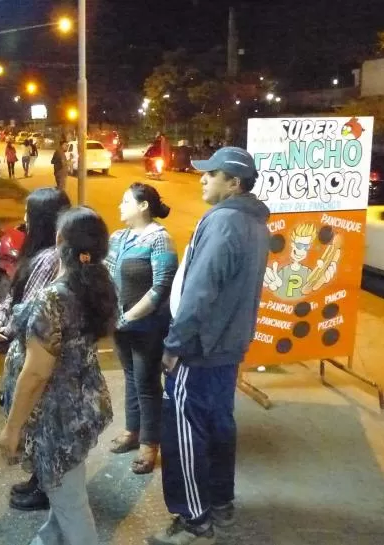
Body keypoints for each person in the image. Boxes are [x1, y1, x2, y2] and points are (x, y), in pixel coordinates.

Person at [148, 147, 270, 545]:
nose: (202, 178)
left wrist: (174, 344)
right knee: (219, 424)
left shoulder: (224, 224)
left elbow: (200, 291)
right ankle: (220, 502)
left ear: (234, 183)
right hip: (228, 346)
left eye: (211, 174)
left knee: (184, 429)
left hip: (200, 348)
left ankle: (193, 519)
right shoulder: (254, 223)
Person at [0, 207, 117, 545]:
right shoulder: (95, 282)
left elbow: (36, 373)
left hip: (56, 417)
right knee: (65, 492)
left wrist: (12, 428)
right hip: (82, 405)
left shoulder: (54, 298)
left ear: (59, 240)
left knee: (71, 504)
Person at [0, 187, 71, 511]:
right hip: (30, 348)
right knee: (37, 420)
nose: (23, 218)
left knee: (38, 420)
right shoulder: (41, 253)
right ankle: (40, 480)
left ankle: (46, 487)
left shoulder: (50, 259)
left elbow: (31, 310)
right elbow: (14, 295)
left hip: (38, 353)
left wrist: (3, 331)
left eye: (28, 212)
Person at [105, 183, 178, 475]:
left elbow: (161, 286)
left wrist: (130, 316)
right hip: (120, 325)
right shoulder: (118, 237)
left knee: (147, 383)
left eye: (126, 202)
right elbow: (107, 274)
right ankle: (131, 431)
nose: (120, 207)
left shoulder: (160, 240)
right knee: (130, 376)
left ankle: (150, 443)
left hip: (148, 325)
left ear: (144, 205)